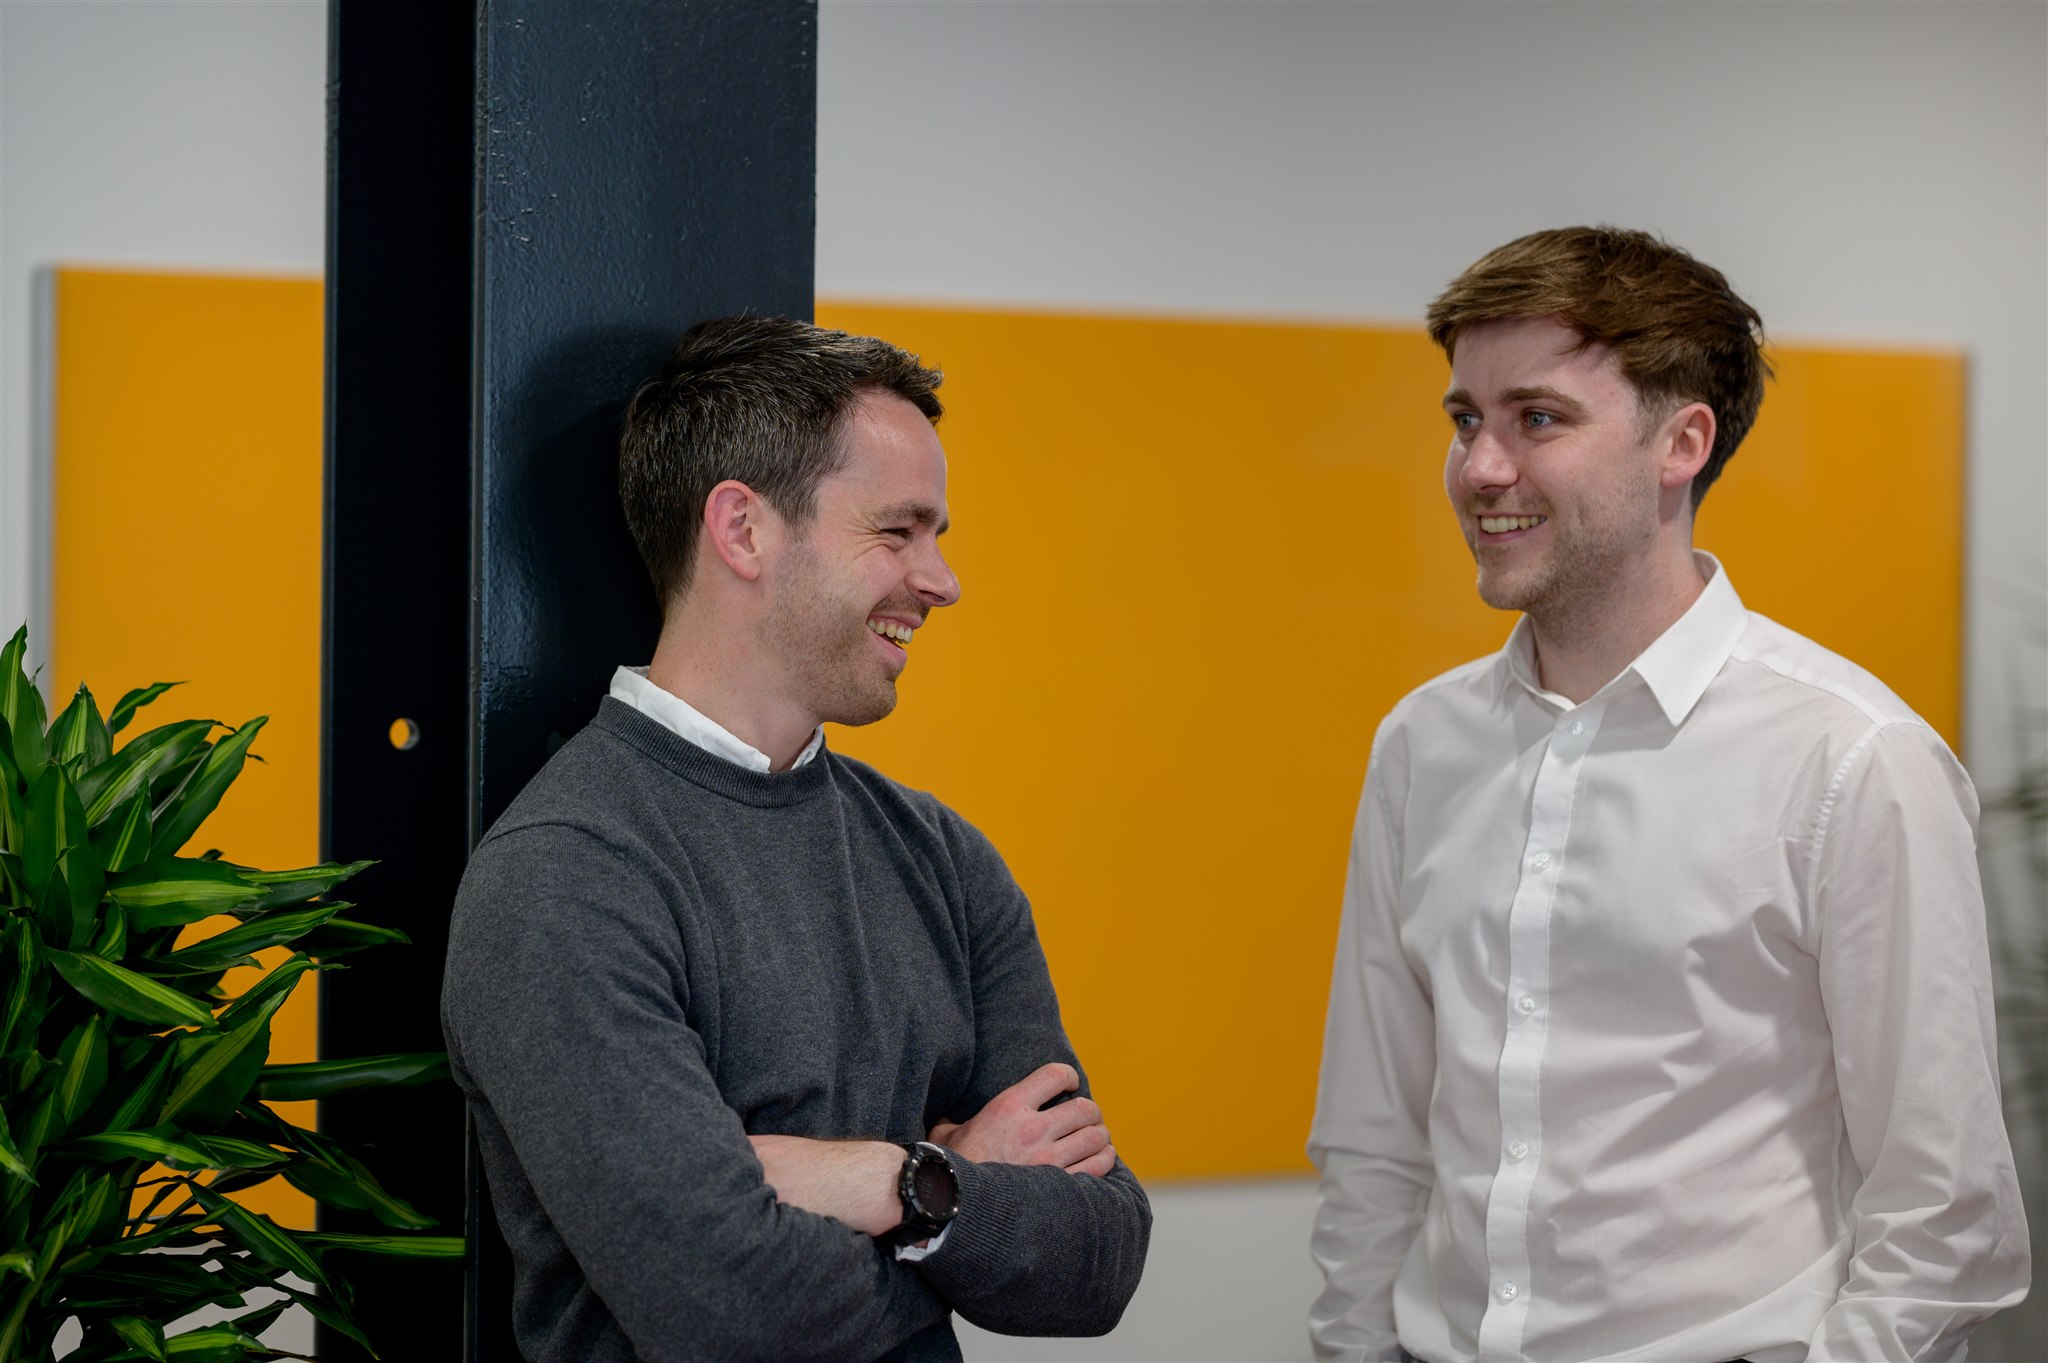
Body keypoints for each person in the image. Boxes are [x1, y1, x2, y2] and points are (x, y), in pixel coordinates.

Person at [1308, 226, 2029, 1362]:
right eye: (1465, 418)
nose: (1480, 468)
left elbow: (1944, 1220)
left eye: (1536, 419)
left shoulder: (1851, 758)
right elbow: (1373, 1142)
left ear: (1680, 443)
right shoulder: (1421, 746)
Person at [442, 315, 1151, 1363]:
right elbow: (724, 1312)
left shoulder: (942, 859)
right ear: (743, 530)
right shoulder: (564, 876)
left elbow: (1099, 1255)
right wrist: (955, 1185)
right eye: (898, 531)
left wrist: (885, 1181)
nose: (941, 579)